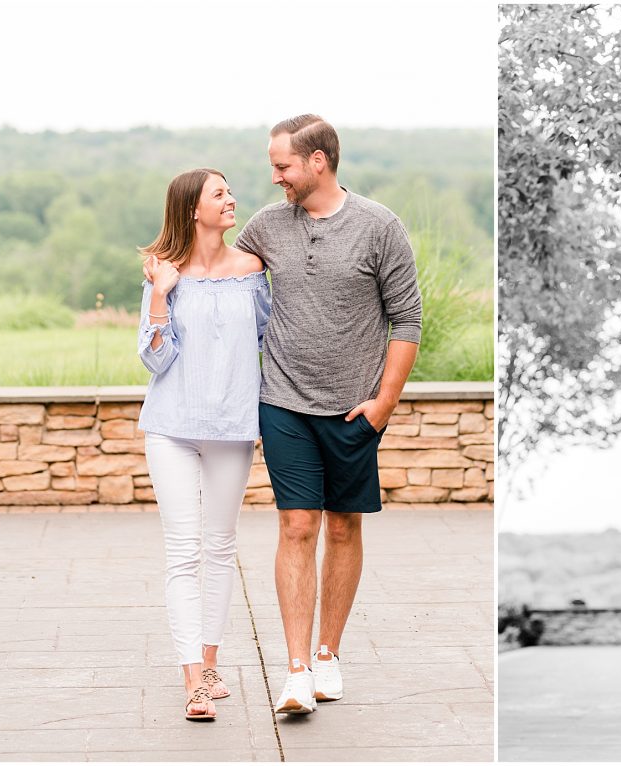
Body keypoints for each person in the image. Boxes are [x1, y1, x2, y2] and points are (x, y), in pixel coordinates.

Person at [232, 115, 422, 715]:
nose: (274, 176)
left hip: (353, 412)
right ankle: (294, 672)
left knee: (343, 527)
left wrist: (381, 406)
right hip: (282, 400)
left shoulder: (378, 226)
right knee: (296, 527)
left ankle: (328, 655)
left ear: (318, 161)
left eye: (282, 165)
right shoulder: (265, 226)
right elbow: (221, 275)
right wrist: (165, 271)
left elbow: (408, 320)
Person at [137, 168, 270, 721]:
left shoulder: (252, 271)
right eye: (219, 193)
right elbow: (154, 357)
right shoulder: (163, 276)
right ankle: (192, 678)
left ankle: (211, 665)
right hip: (171, 425)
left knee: (219, 549)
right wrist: (163, 297)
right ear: (193, 208)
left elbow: (270, 337)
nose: (231, 199)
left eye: (230, 191)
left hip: (233, 427)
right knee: (183, 550)